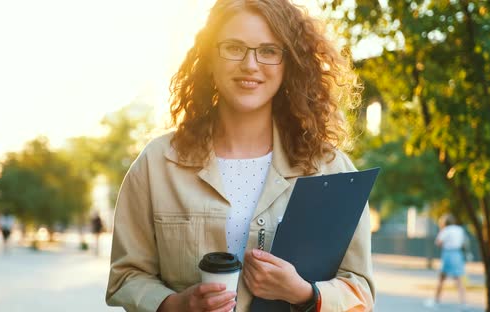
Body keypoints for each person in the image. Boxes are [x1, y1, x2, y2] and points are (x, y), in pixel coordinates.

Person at [106, 0, 374, 311]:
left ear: (290, 63)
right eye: (234, 47)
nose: (250, 65)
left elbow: (360, 291)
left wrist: (304, 293)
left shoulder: (331, 169)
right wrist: (177, 304)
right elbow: (126, 278)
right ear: (208, 57)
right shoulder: (156, 164)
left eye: (269, 51)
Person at [426, 214, 467, 308]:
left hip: (448, 254)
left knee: (441, 278)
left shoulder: (445, 230)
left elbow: (438, 242)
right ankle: (463, 302)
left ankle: (436, 300)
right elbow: (463, 242)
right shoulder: (459, 229)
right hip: (458, 254)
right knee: (459, 279)